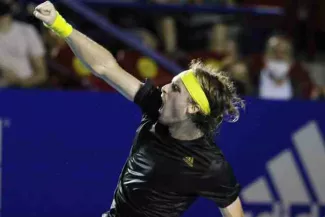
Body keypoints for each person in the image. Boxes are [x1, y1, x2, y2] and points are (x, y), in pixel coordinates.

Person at [33, 1, 245, 217]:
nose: (163, 88)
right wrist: (60, 25)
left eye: (175, 89)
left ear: (192, 107)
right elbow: (105, 67)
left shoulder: (210, 164)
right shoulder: (156, 106)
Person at [0, 1, 47, 88]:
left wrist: (20, 82)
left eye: (5, 6)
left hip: (26, 90)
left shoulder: (27, 31)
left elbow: (41, 74)